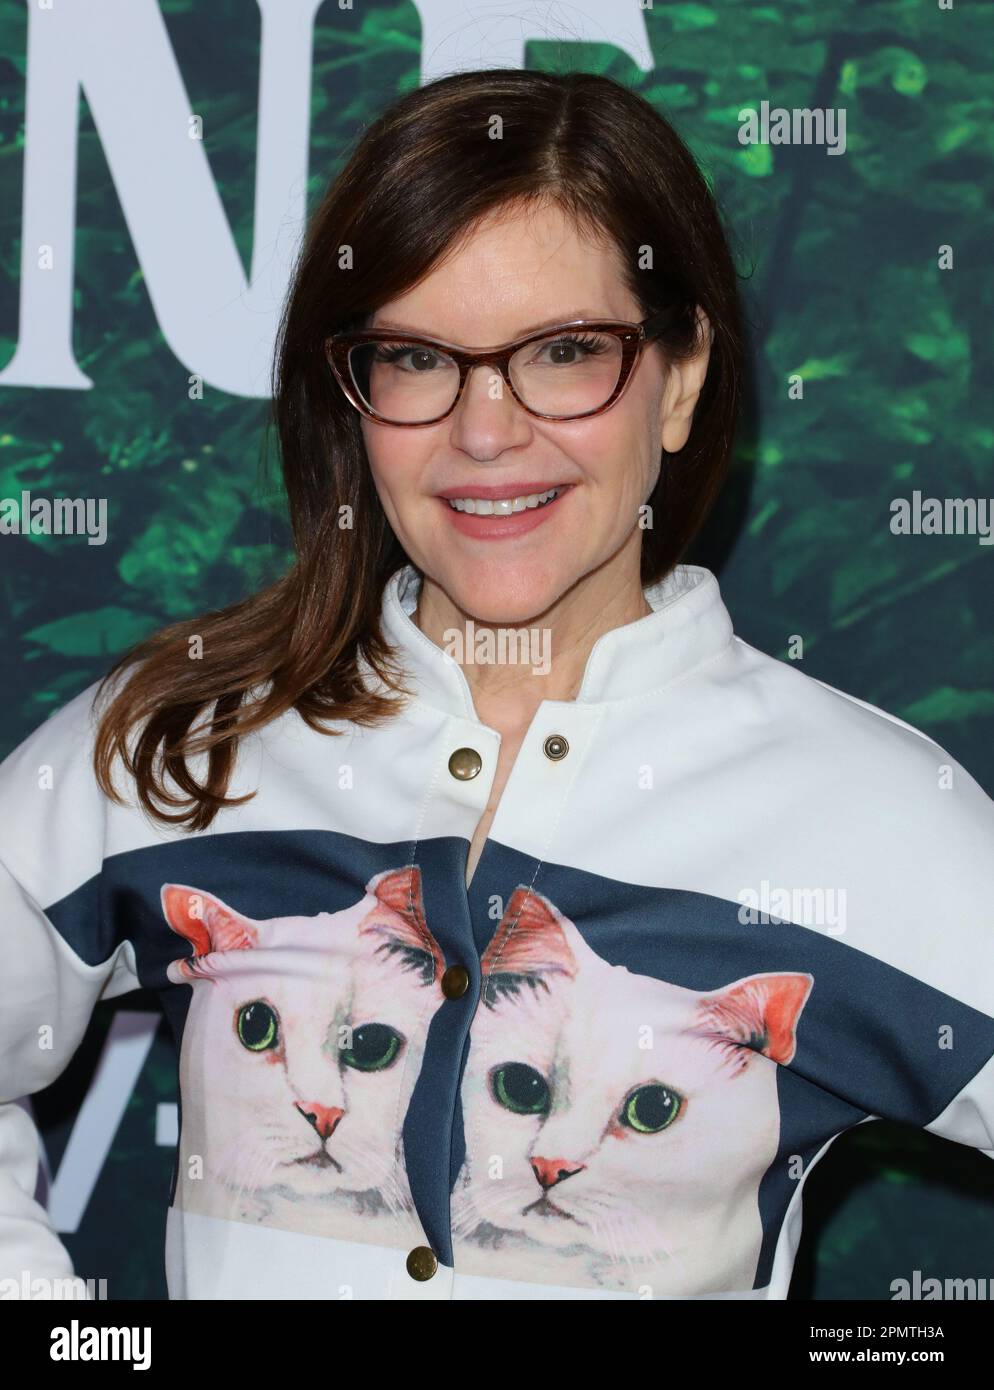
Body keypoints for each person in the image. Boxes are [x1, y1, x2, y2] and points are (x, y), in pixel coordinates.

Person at [1, 67, 992, 1303]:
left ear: (680, 380)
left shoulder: (873, 813)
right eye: (418, 358)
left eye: (566, 352)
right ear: (352, 396)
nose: (484, 431)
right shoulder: (182, 734)